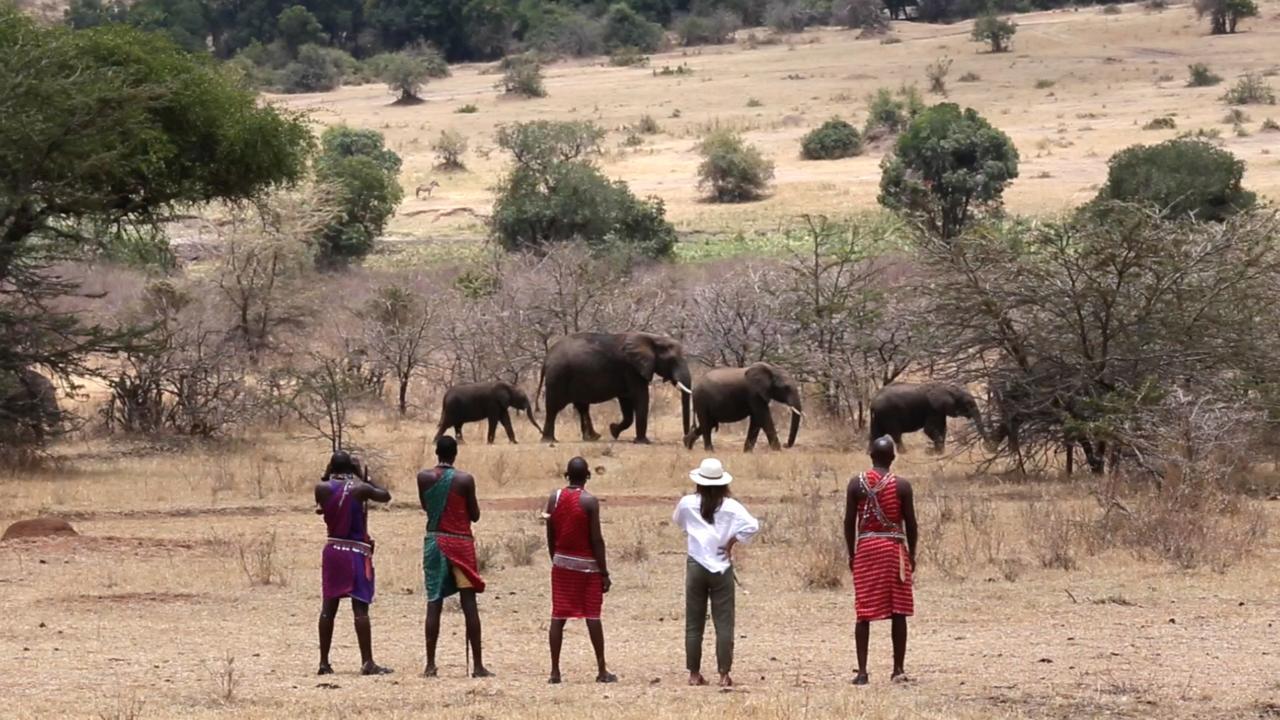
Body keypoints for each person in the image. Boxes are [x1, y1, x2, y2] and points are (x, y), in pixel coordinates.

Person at [672, 458, 759, 688]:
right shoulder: (732, 506)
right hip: (721, 567)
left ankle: (693, 673)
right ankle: (724, 674)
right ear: (723, 483)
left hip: (696, 566)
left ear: (699, 482)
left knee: (694, 622)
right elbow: (752, 525)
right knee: (724, 623)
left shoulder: (687, 503)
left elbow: (679, 522)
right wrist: (731, 541)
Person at [844, 436, 918, 685]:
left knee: (863, 611)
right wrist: (912, 553)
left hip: (866, 547)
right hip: (893, 548)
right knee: (899, 609)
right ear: (893, 457)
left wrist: (852, 554)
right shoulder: (902, 486)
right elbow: (911, 523)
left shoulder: (856, 484)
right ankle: (898, 669)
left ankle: (863, 672)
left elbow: (849, 522)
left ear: (870, 454)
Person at [419, 435, 492, 678]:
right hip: (460, 544)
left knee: (434, 602)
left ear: (436, 452)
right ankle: (478, 666)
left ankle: (430, 665)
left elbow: (427, 507)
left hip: (435, 543)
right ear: (455, 454)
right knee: (469, 604)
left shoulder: (424, 478)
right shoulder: (464, 480)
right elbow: (475, 515)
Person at [315, 450, 392, 676]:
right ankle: (367, 662)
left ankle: (324, 662)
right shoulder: (361, 489)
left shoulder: (321, 488)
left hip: (333, 551)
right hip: (355, 551)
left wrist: (330, 472)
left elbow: (324, 491)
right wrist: (363, 476)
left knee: (328, 609)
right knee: (360, 609)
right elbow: (385, 495)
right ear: (351, 468)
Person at [543, 457, 616, 684]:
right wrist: (604, 572)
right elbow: (596, 539)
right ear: (587, 476)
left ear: (567, 475)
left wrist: (554, 557)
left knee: (558, 615)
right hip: (587, 567)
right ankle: (601, 669)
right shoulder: (589, 501)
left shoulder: (553, 499)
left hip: (561, 563)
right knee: (592, 615)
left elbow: (550, 531)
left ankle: (555, 671)